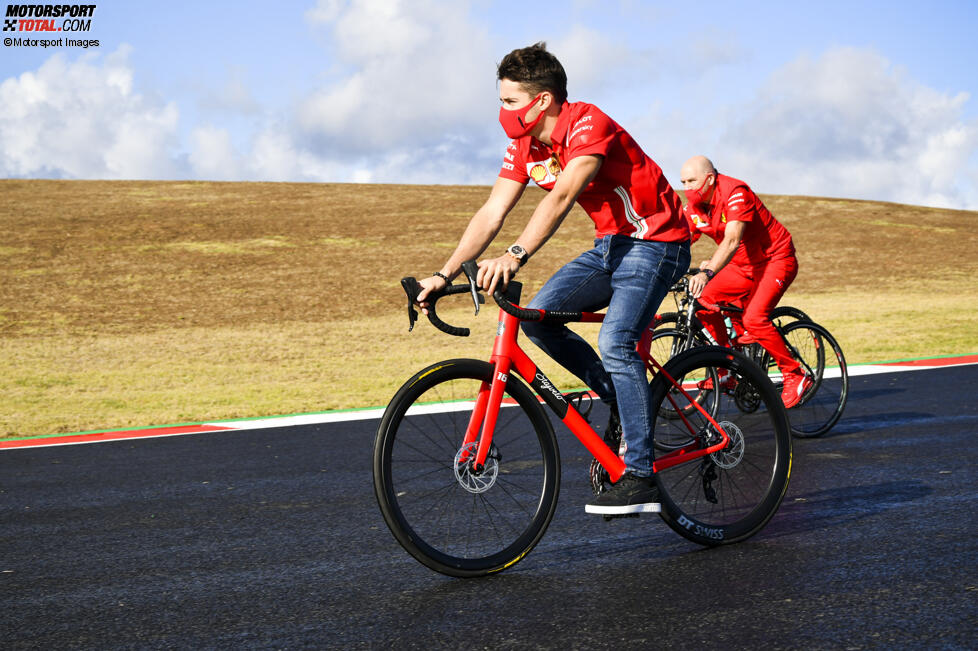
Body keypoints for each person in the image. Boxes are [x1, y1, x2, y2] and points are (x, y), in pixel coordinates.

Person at [415, 43, 691, 515]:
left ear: (542, 100)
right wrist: (443, 274)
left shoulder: (588, 123)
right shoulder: (524, 146)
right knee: (538, 319)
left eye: (509, 102)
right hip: (611, 245)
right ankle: (623, 401)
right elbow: (493, 211)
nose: (502, 113)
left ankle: (641, 474)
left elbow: (563, 194)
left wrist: (515, 255)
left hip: (659, 242)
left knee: (616, 340)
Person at [679, 155, 813, 407]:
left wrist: (708, 272)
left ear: (709, 179)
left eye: (692, 181)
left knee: (754, 318)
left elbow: (731, 239)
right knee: (704, 299)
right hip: (742, 265)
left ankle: (795, 374)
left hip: (775, 259)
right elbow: (680, 240)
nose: (687, 188)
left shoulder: (735, 192)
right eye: (683, 182)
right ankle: (728, 365)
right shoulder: (693, 208)